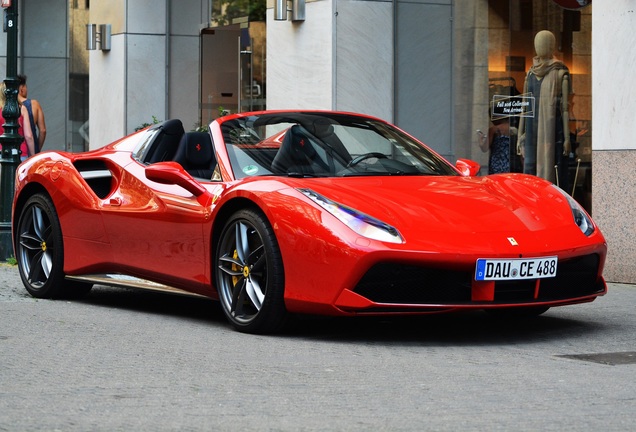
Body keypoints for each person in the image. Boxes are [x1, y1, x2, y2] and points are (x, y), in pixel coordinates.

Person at [517, 30, 570, 186]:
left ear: (552, 46)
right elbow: (524, 107)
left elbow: (565, 108)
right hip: (532, 129)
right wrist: (520, 134)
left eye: (544, 43)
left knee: (552, 167)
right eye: (538, 43)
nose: (541, 47)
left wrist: (567, 138)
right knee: (530, 168)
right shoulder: (530, 75)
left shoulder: (560, 74)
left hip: (552, 131)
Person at [0, 81, 36, 161]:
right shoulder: (21, 109)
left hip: (1, 152)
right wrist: (33, 156)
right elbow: (28, 136)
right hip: (20, 152)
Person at [17, 74, 46, 153]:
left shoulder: (6, 106)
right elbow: (43, 131)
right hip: (30, 151)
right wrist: (37, 148)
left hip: (11, 151)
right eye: (26, 87)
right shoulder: (34, 104)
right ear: (22, 88)